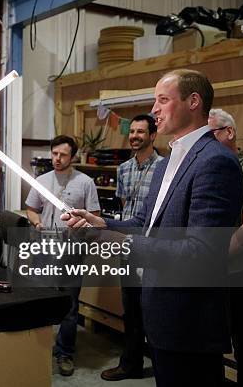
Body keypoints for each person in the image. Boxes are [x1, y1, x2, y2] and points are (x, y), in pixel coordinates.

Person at [62, 69, 243, 387]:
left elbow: (202, 252)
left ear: (193, 101)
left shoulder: (215, 162)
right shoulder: (168, 164)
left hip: (190, 322)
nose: (154, 109)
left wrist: (115, 241)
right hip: (160, 316)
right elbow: (145, 224)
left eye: (162, 100)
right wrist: (103, 222)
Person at [25, 135, 100, 376]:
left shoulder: (85, 182)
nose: (57, 159)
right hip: (44, 249)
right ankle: (35, 350)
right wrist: (36, 223)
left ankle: (64, 353)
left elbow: (95, 217)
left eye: (63, 155)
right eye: (54, 154)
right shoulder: (41, 180)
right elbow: (31, 208)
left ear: (73, 156)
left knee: (69, 305)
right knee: (40, 301)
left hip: (72, 253)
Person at [101, 114, 163, 381]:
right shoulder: (123, 169)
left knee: (157, 309)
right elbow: (126, 208)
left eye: (141, 132)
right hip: (129, 246)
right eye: (132, 132)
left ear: (153, 135)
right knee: (131, 309)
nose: (135, 136)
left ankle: (164, 368)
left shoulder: (165, 167)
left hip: (155, 248)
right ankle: (131, 364)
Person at [208, 108, 243, 387]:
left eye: (211, 134)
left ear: (229, 132)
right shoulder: (209, 170)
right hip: (214, 269)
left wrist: (209, 261)